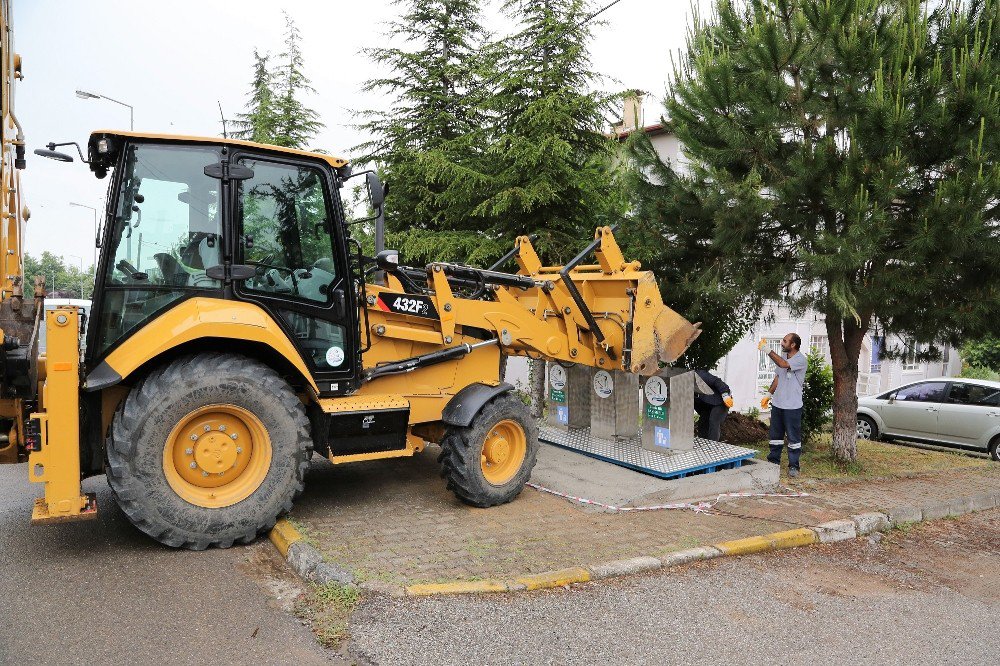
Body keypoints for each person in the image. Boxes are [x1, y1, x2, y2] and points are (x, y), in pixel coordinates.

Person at [759, 333, 808, 477]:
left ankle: (794, 466)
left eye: (785, 341)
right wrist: (768, 395)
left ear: (793, 345)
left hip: (792, 406)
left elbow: (784, 365)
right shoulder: (783, 357)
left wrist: (767, 349)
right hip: (778, 405)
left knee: (793, 438)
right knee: (775, 436)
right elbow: (777, 378)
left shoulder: (800, 360)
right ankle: (773, 462)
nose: (782, 343)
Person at [693, 369, 734, 442]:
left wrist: (725, 395)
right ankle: (703, 445)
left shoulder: (700, 375)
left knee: (713, 420)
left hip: (721, 401)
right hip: (707, 405)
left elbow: (717, 381)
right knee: (702, 422)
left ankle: (713, 446)